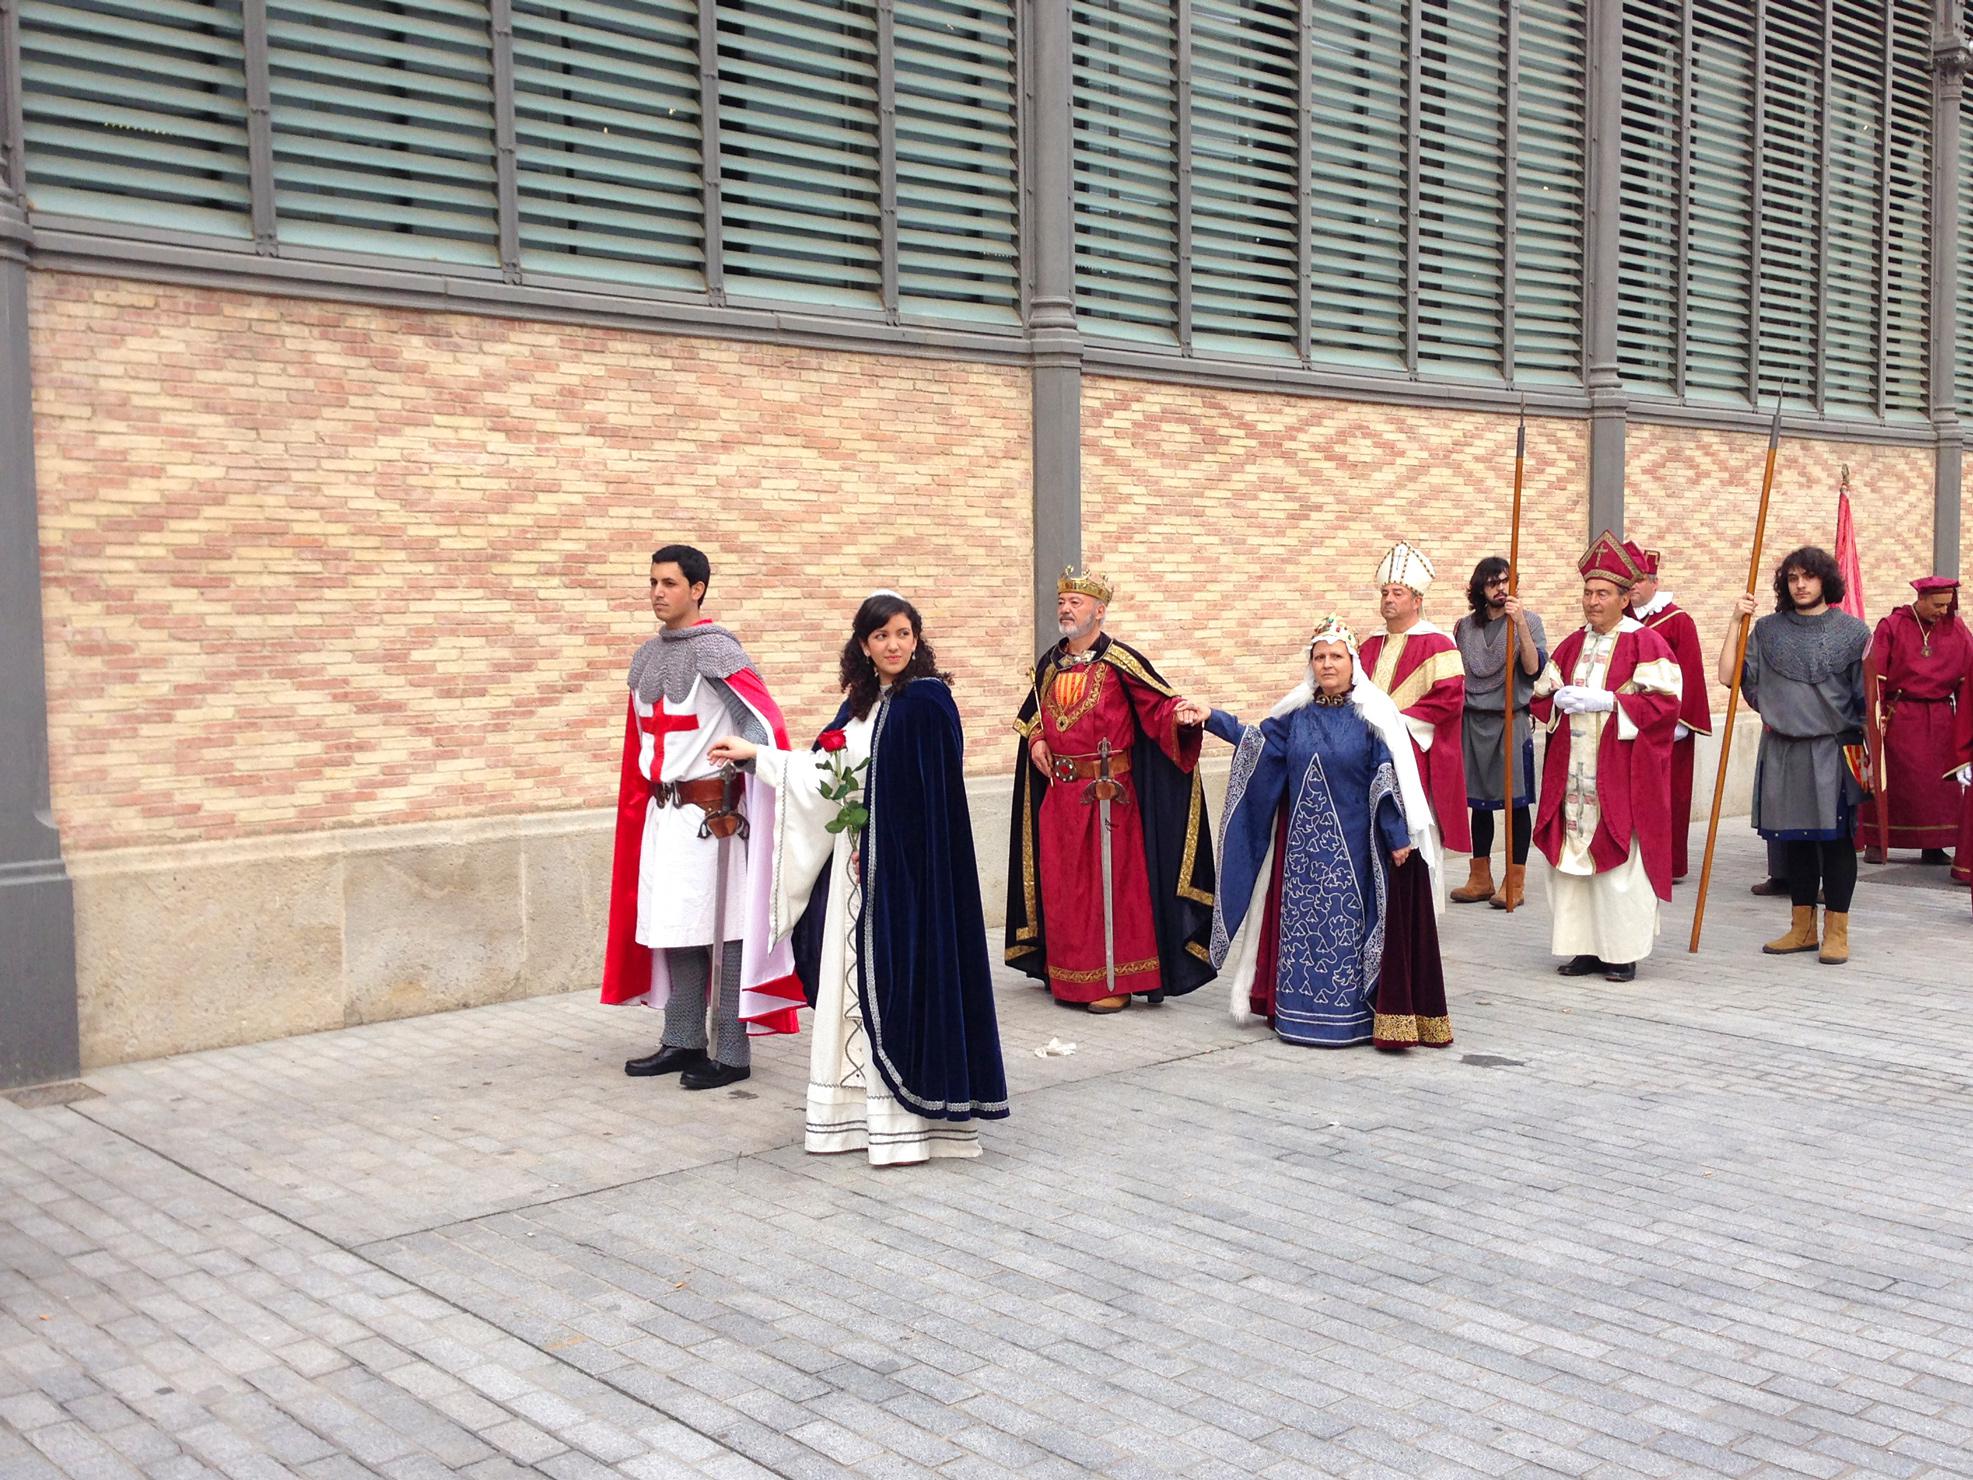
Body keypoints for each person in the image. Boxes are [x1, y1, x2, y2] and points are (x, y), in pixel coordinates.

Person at [708, 592, 1008, 1164]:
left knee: (899, 989)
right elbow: (827, 774)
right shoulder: (861, 705)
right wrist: (758, 756)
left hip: (907, 883)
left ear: (916, 639)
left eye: (902, 633)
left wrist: (884, 844)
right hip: (856, 874)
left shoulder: (928, 703)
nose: (893, 645)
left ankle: (908, 1125)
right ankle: (851, 1116)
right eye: (880, 637)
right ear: (864, 646)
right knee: (850, 987)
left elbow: (929, 801)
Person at [600, 544, 806, 1090]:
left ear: (697, 590)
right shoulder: (646, 657)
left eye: (669, 583)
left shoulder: (719, 653)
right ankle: (684, 1037)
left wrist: (744, 757)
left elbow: (763, 726)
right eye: (652, 583)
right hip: (664, 816)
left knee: (728, 933)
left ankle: (732, 1052)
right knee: (678, 929)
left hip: (712, 818)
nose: (657, 593)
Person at [1205, 617, 1451, 1049]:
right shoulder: (1297, 717)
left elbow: (1387, 780)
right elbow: (1256, 743)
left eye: (1336, 656)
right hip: (1301, 860)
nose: (1327, 664)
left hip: (1352, 855)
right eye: (1319, 657)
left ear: (1353, 663)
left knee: (1347, 933)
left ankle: (1350, 1021)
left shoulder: (1372, 717)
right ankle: (1296, 1017)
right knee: (1300, 935)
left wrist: (1397, 838)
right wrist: (1211, 718)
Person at [1007, 567, 1216, 1013]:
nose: (1066, 609)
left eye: (1076, 603)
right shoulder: (1049, 663)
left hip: (1109, 801)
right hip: (1060, 797)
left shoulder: (1121, 661)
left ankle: (1115, 979)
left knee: (1112, 892)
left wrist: (1180, 716)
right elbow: (1036, 713)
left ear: (1099, 612)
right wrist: (1037, 737)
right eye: (1062, 602)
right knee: (1063, 891)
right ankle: (1066, 974)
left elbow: (1157, 705)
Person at [1531, 533, 1683, 983]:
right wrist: (1559, 699)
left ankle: (1620, 951)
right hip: (1571, 776)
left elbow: (1666, 705)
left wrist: (1611, 704)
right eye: (1587, 592)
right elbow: (1540, 697)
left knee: (1621, 865)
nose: (1592, 602)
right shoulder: (1570, 645)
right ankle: (1582, 947)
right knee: (1570, 861)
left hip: (1619, 776)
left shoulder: (1646, 643)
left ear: (1624, 597)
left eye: (1602, 594)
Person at [1719, 546, 1870, 966]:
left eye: (1808, 576)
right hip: (1783, 748)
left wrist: (1868, 757)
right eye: (1792, 578)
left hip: (1833, 750)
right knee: (1795, 843)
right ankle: (1802, 928)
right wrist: (1735, 621)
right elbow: (1730, 677)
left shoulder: (1854, 633)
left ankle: (1836, 931)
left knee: (1836, 843)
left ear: (1825, 580)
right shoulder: (1766, 631)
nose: (1800, 585)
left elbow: (1865, 702)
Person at [1360, 542, 1472, 864]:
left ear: (1417, 600)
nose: (1389, 599)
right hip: (1368, 753)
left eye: (1397, 593)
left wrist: (1394, 723)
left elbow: (1449, 699)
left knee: (1415, 840)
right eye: (1385, 593)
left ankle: (1421, 911)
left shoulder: (1439, 644)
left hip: (1413, 753)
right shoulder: (1368, 646)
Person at [1451, 557, 1546, 908]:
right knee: (1479, 803)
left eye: (1506, 581)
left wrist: (1519, 622)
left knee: (1515, 804)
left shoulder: (1529, 621)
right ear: (1479, 588)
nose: (1500, 588)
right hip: (1473, 720)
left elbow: (1533, 670)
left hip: (1511, 719)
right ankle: (1480, 878)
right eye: (1493, 583)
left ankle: (1514, 881)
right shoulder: (1464, 628)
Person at [1858, 577, 1970, 864]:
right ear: (1920, 599)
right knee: (1892, 779)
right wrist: (1876, 716)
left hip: (1943, 718)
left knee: (1938, 786)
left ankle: (1934, 844)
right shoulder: (1892, 626)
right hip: (1900, 717)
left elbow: (1968, 678)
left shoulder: (1956, 629)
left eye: (1947, 605)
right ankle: (1876, 838)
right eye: (1937, 605)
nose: (1942, 612)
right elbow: (1875, 673)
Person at [1625, 543, 1713, 882]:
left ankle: (1669, 863)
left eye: (1638, 580)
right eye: (1628, 580)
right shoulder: (1623, 620)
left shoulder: (1677, 620)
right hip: (1631, 720)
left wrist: (1677, 722)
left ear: (1654, 582)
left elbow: (1689, 672)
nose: (1632, 586)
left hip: (1669, 726)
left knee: (1668, 796)